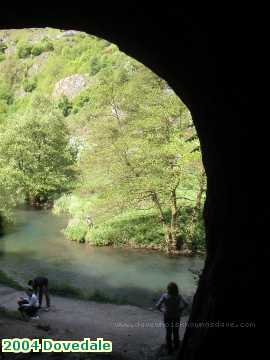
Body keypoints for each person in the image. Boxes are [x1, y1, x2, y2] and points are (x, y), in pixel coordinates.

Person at [155, 282, 188, 354]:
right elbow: (186, 304)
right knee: (176, 332)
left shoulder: (165, 296)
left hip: (167, 316)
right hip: (176, 316)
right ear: (176, 289)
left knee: (168, 332)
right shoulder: (179, 296)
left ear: (168, 289)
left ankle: (169, 349)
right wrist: (181, 309)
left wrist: (163, 310)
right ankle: (176, 347)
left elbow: (157, 306)